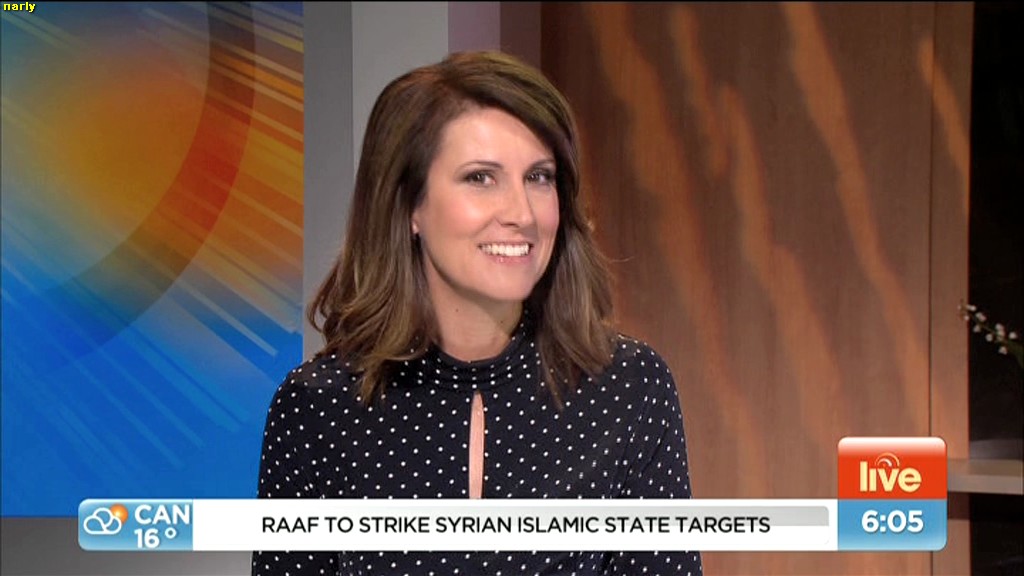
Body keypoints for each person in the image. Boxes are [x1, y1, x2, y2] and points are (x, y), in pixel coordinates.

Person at [252, 50, 702, 576]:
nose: (521, 214)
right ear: (409, 205)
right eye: (481, 178)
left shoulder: (630, 388)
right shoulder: (316, 408)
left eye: (539, 177)